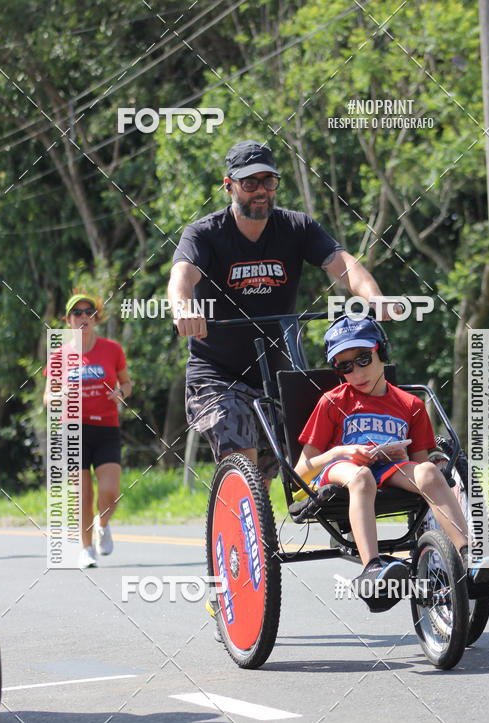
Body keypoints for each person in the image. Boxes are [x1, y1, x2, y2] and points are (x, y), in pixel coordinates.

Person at [168, 139, 401, 485]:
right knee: (241, 457)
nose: (260, 191)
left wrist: (374, 297)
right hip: (217, 374)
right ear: (228, 185)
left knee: (271, 473)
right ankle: (248, 532)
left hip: (276, 373)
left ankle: (268, 535)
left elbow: (345, 265)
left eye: (268, 181)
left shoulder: (296, 227)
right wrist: (184, 308)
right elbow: (182, 276)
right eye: (250, 183)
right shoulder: (204, 233)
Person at [294, 315, 489, 610]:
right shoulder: (333, 402)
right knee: (361, 477)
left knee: (431, 473)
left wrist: (399, 457)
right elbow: (302, 469)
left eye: (363, 359)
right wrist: (341, 451)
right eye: (344, 366)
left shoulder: (411, 405)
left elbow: (420, 467)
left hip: (387, 467)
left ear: (382, 352)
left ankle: (469, 556)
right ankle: (372, 568)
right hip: (337, 470)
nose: (355, 372)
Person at [43, 293, 132, 568]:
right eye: (77, 313)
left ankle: (102, 524)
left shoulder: (112, 349)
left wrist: (120, 392)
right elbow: (47, 397)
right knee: (82, 494)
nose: (83, 317)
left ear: (95, 318)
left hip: (106, 426)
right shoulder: (59, 355)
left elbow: (127, 384)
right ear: (68, 320)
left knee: (110, 490)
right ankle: (86, 548)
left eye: (88, 312)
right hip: (72, 429)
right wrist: (61, 395)